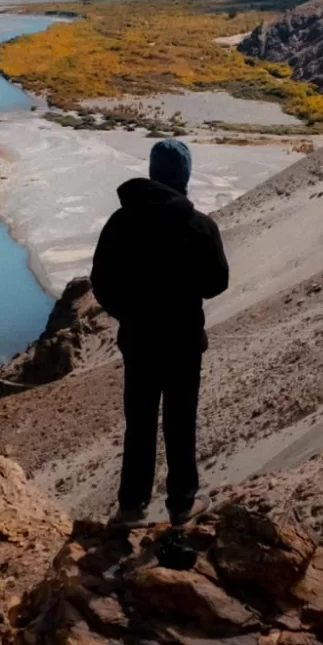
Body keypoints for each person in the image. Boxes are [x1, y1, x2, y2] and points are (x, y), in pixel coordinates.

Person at [91, 140, 229, 527]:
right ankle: (182, 504)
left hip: (138, 341)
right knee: (180, 422)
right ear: (184, 177)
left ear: (153, 173)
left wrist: (130, 314)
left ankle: (131, 507)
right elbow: (217, 282)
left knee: (140, 422)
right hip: (184, 341)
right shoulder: (199, 225)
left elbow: (101, 281)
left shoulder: (122, 222)